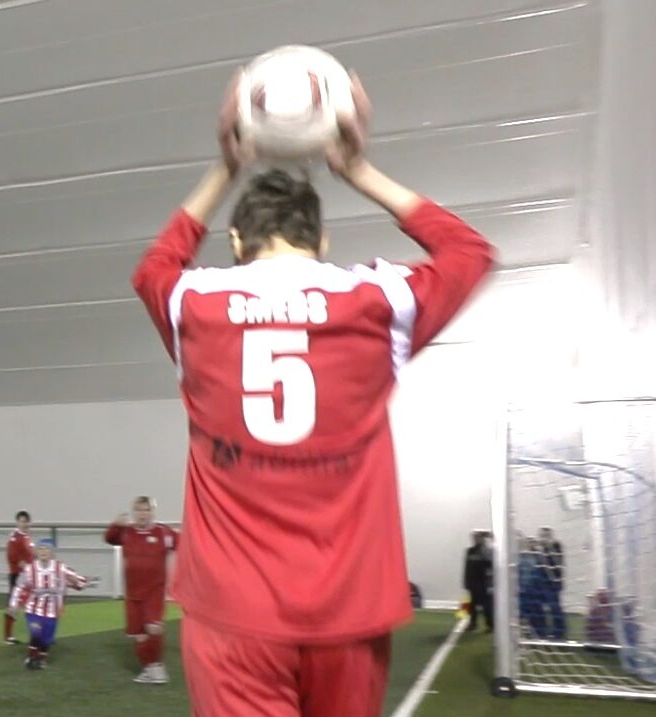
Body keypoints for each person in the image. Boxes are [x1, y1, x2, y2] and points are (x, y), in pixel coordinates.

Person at [128, 75, 493, 715]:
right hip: (349, 612)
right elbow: (468, 251)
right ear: (321, 242)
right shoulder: (380, 302)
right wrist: (357, 169)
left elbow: (155, 267)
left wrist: (224, 166)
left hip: (232, 614)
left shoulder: (194, 306)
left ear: (237, 244)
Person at [105, 496, 180, 684]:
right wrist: (116, 524)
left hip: (155, 591)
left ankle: (157, 667)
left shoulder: (164, 533)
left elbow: (184, 544)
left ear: (152, 513)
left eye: (146, 510)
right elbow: (110, 539)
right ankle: (149, 669)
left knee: (153, 628)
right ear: (134, 513)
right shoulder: (126, 533)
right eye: (139, 510)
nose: (143, 514)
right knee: (139, 636)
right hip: (132, 594)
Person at [10, 539, 90, 670]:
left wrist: (81, 582)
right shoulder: (30, 569)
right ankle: (31, 657)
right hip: (33, 609)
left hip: (53, 611)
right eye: (40, 549)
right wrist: (14, 604)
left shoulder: (60, 568)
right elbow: (19, 587)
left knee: (47, 639)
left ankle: (41, 659)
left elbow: (77, 579)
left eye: (46, 549)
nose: (43, 552)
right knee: (36, 632)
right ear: (36, 552)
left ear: (52, 552)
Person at [3, 511, 33, 645]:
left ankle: (37, 635)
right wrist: (28, 569)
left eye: (25, 521)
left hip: (27, 575)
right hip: (18, 575)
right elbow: (13, 557)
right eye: (21, 521)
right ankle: (7, 636)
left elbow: (30, 556)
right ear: (17, 522)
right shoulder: (15, 537)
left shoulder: (26, 537)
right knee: (14, 606)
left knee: (32, 605)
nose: (23, 523)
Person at [463, 530, 495, 633]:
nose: (475, 539)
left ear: (482, 539)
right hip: (473, 583)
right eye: (474, 537)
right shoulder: (470, 551)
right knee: (472, 606)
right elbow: (467, 567)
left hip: (484, 583)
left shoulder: (487, 551)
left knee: (487, 606)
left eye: (477, 537)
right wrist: (466, 581)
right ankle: (473, 624)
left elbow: (490, 564)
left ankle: (490, 625)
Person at [538, 527, 566, 638]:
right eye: (541, 535)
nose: (543, 538)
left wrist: (548, 547)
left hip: (553, 582)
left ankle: (559, 632)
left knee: (555, 608)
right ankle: (545, 631)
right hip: (542, 582)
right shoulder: (541, 549)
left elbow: (558, 562)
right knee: (543, 608)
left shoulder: (556, 546)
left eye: (545, 535)